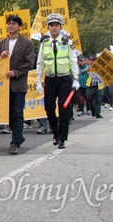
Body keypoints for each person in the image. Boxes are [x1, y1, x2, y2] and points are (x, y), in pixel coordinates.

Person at [36, 13, 79, 149]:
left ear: (60, 27)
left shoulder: (67, 42)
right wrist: (38, 80)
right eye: (51, 25)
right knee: (49, 108)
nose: (54, 28)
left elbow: (73, 60)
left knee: (64, 108)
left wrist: (76, 78)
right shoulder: (45, 42)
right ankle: (55, 133)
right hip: (50, 79)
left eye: (56, 25)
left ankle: (62, 138)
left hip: (64, 79)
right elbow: (40, 62)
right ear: (48, 27)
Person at [0, 15, 36, 155]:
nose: (11, 26)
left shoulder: (27, 43)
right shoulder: (1, 43)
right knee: (8, 114)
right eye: (9, 23)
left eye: (14, 23)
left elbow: (29, 62)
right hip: (4, 85)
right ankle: (19, 135)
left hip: (18, 84)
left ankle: (15, 142)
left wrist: (16, 72)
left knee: (18, 113)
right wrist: (0, 56)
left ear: (19, 26)